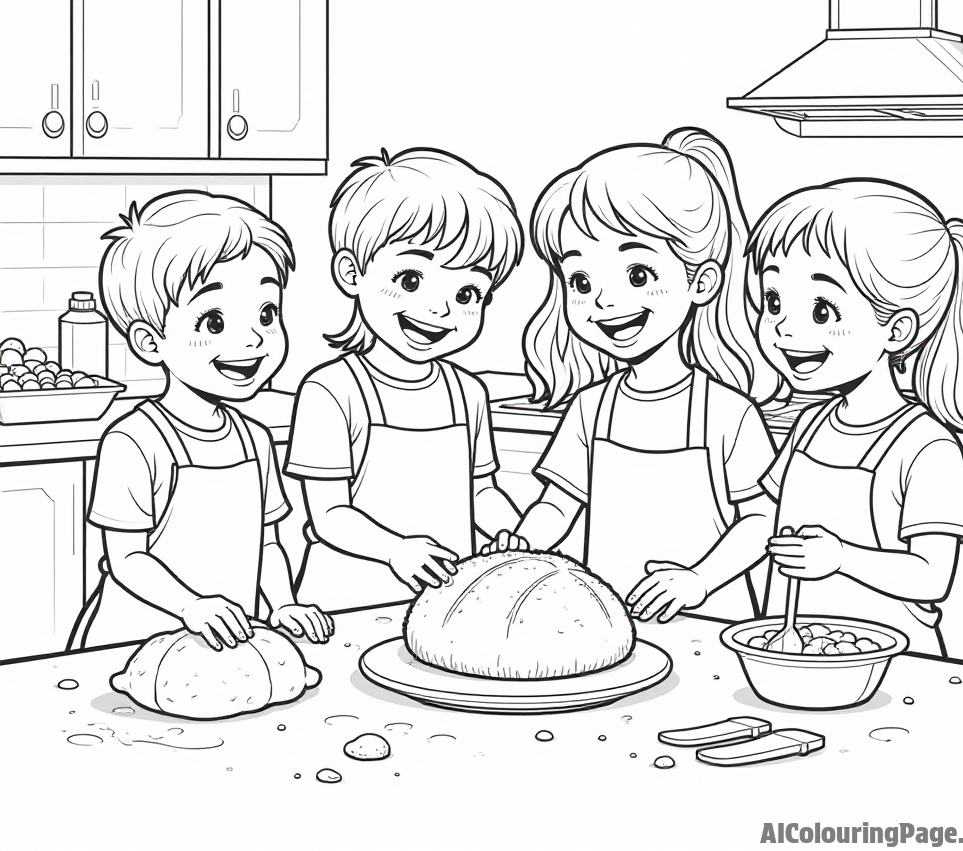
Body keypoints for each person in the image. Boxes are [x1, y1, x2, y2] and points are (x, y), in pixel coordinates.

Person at [485, 128, 779, 622]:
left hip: (711, 618)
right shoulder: (590, 408)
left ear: (701, 282)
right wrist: (522, 543)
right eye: (581, 280)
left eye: (637, 275)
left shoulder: (727, 413)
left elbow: (760, 518)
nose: (603, 301)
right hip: (607, 620)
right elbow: (559, 505)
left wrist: (700, 581)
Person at [70, 192, 332, 651]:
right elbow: (127, 558)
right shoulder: (134, 442)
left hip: (224, 643)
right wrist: (192, 606)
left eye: (267, 314)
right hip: (130, 643)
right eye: (213, 322)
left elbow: (266, 545)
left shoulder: (255, 440)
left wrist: (283, 603)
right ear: (151, 343)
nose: (253, 338)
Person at [749, 180, 963, 655]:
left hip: (898, 663)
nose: (782, 327)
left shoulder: (927, 447)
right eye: (774, 300)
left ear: (897, 329)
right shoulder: (809, 424)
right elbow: (765, 521)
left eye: (822, 309)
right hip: (793, 649)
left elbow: (931, 576)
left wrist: (840, 558)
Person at [284, 148, 525, 611]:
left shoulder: (467, 394)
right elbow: (329, 513)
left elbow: (482, 490)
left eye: (467, 292)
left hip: (445, 603)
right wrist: (395, 550)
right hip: (348, 598)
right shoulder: (331, 391)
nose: (440, 309)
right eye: (411, 280)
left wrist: (508, 531)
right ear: (351, 274)